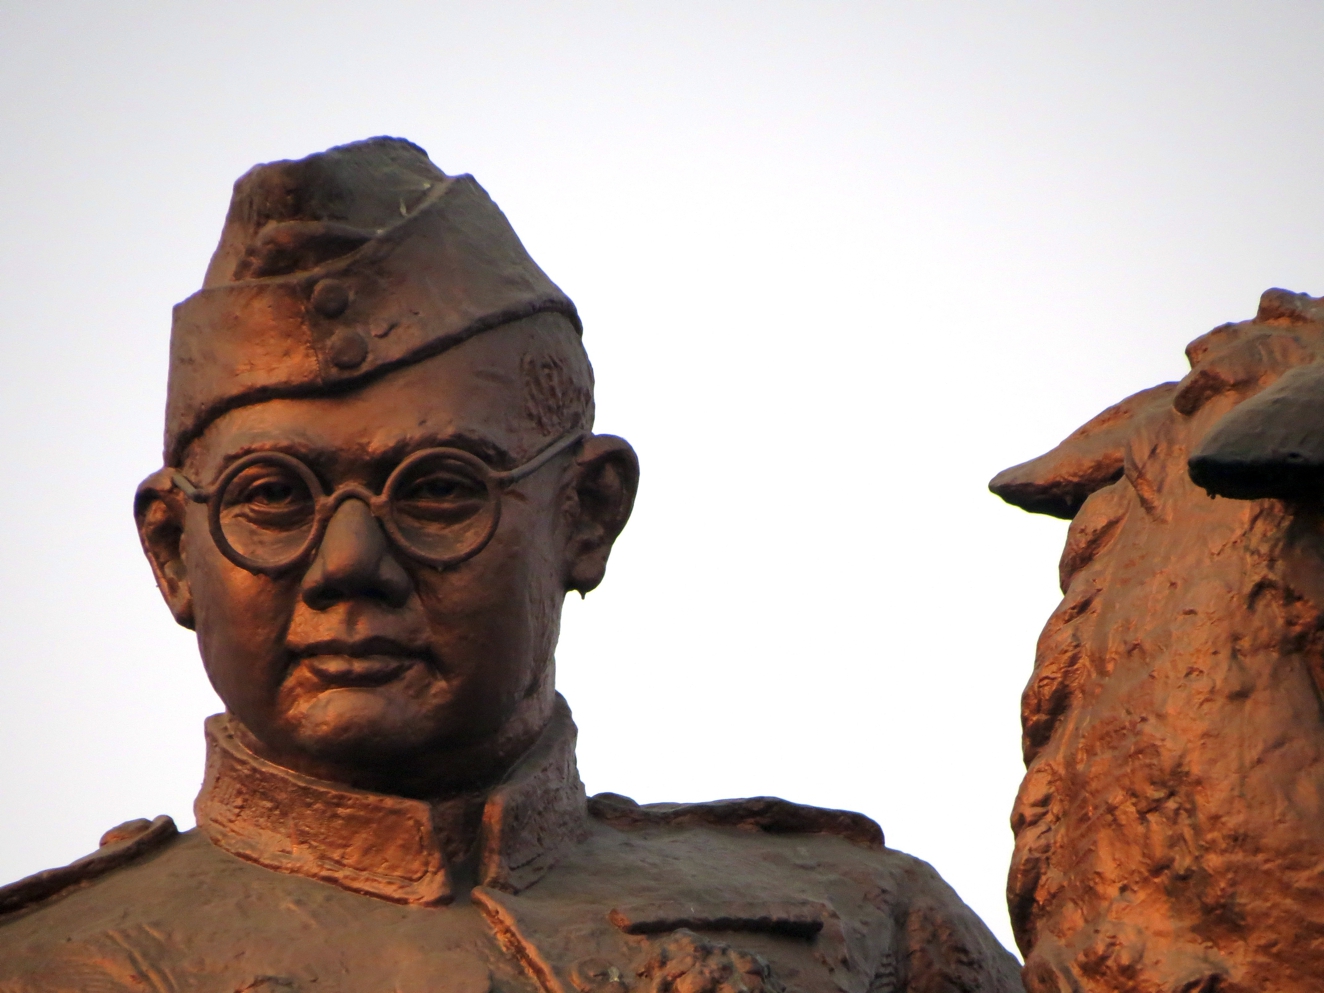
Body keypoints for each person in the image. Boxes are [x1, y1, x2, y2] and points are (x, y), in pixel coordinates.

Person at [0, 137, 1023, 993]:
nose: (349, 565)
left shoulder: (869, 931)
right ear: (172, 552)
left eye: (439, 489)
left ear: (587, 514)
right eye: (271, 498)